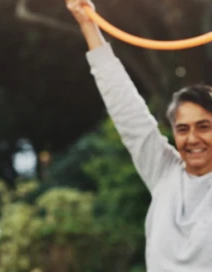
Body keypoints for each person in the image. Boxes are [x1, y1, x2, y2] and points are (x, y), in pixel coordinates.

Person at [66, 0, 212, 270]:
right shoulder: (164, 172)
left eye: (204, 126)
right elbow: (125, 106)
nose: (192, 139)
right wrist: (87, 24)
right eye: (183, 129)